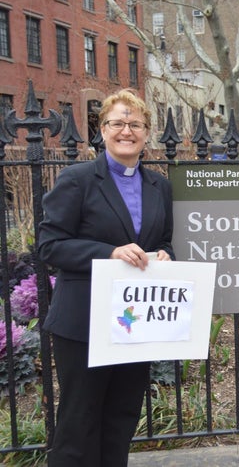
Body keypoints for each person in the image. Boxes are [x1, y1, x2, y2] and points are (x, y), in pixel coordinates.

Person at [38, 88, 175, 467]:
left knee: (121, 418)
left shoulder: (159, 186)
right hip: (84, 322)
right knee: (79, 423)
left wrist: (165, 255)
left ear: (147, 132)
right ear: (103, 130)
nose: (126, 131)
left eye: (135, 124)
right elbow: (49, 246)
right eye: (117, 123)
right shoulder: (78, 179)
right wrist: (109, 252)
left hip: (135, 324)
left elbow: (164, 242)